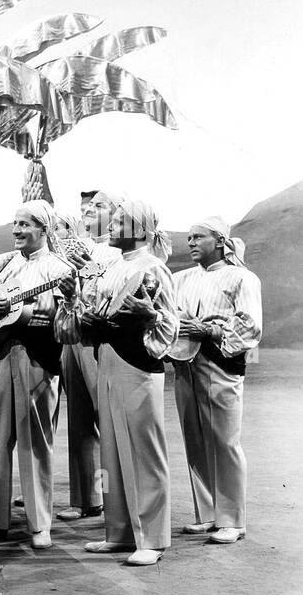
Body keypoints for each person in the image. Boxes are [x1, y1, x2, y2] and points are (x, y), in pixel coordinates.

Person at [56, 198, 177, 566]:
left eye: (122, 220)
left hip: (136, 364)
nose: (113, 225)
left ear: (140, 229)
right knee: (110, 449)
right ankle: (119, 531)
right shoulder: (112, 269)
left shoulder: (153, 267)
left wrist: (150, 315)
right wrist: (74, 301)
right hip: (106, 358)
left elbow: (168, 325)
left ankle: (152, 538)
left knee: (143, 449)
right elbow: (93, 319)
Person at [0, 200, 73, 550]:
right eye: (15, 223)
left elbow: (68, 319)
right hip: (3, 356)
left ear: (44, 229)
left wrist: (50, 310)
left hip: (38, 361)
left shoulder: (60, 268)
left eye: (25, 224)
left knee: (35, 441)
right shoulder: (2, 264)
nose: (17, 230)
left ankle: (40, 524)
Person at [171, 216, 261, 544]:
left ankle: (233, 520)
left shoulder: (241, 278)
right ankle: (207, 514)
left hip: (220, 363)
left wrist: (209, 329)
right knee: (194, 438)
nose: (191, 242)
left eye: (198, 237)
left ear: (219, 241)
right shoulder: (182, 278)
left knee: (225, 441)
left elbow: (250, 324)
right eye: (189, 237)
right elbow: (171, 316)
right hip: (185, 364)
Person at [54, 192, 123, 521]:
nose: (89, 211)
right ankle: (86, 498)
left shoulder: (118, 250)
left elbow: (113, 289)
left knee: (103, 418)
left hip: (98, 340)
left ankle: (111, 496)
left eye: (99, 207)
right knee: (78, 419)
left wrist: (87, 266)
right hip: (72, 336)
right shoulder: (76, 246)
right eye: (87, 207)